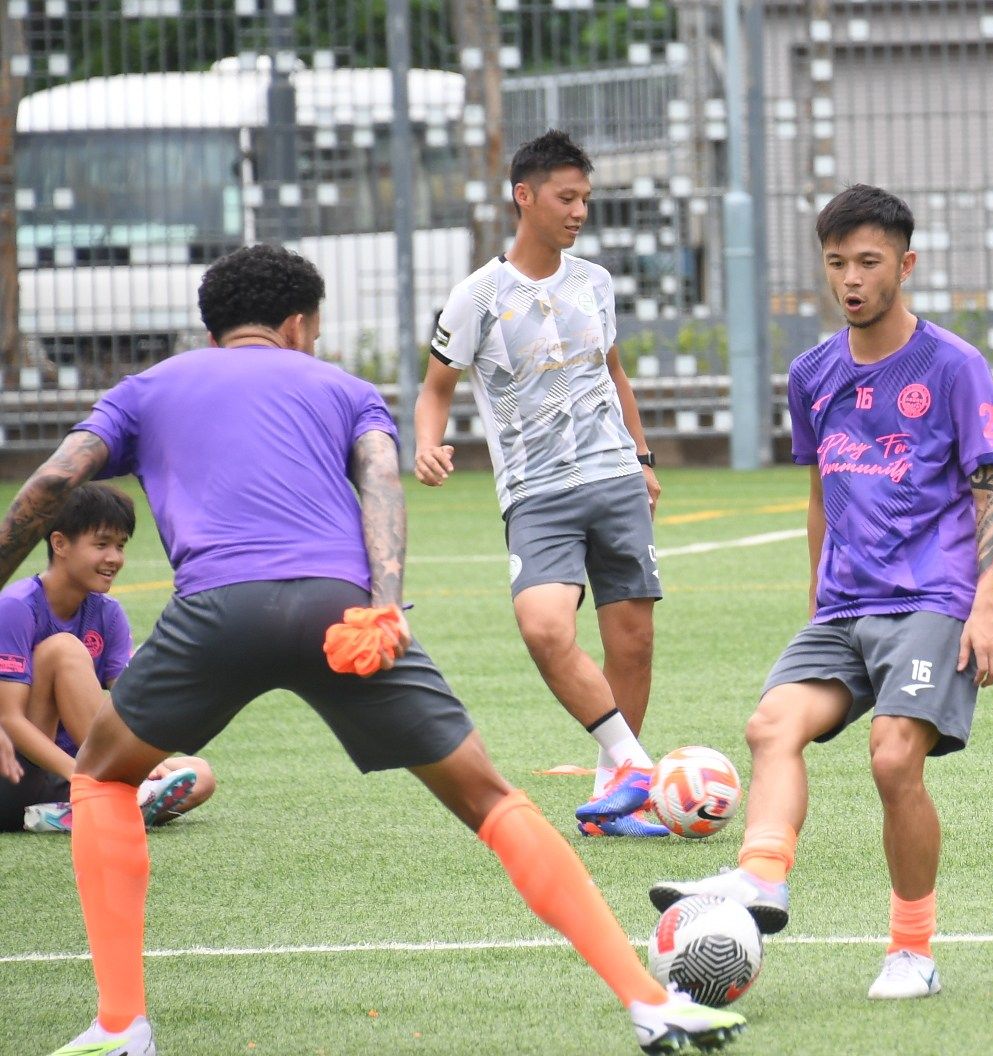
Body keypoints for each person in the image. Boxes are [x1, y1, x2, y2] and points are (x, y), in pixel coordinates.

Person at [0, 244, 744, 1056]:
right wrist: (384, 606)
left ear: (214, 328)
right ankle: (648, 1002)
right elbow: (382, 487)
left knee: (105, 779)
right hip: (340, 612)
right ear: (297, 324)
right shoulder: (346, 390)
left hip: (217, 611)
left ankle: (121, 1026)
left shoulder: (146, 389)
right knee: (493, 800)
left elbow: (46, 488)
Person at [649, 184, 993, 1001]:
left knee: (892, 759)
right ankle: (763, 878)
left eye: (868, 262)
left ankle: (911, 951)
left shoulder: (953, 366)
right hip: (844, 605)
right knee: (770, 723)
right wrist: (817, 596)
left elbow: (989, 490)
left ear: (905, 265)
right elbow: (820, 493)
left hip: (931, 597)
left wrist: (986, 605)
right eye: (837, 263)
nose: (850, 279)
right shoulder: (811, 372)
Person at [416, 130, 667, 837]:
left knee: (633, 643)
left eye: (585, 198)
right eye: (566, 197)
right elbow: (435, 388)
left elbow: (613, 373)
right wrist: (427, 443)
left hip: (614, 477)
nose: (579, 210)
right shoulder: (477, 296)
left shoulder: (595, 282)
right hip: (537, 492)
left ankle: (610, 801)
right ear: (523, 197)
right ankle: (631, 763)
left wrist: (643, 460)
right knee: (544, 627)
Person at [1, 484, 214, 833]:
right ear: (60, 544)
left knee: (199, 774)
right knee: (63, 649)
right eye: (101, 545)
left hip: (71, 772)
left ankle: (71, 812)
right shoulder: (17, 606)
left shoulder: (108, 613)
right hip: (17, 774)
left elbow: (129, 698)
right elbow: (10, 720)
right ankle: (105, 795)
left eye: (120, 545)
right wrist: (81, 775)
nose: (114, 558)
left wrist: (146, 759)